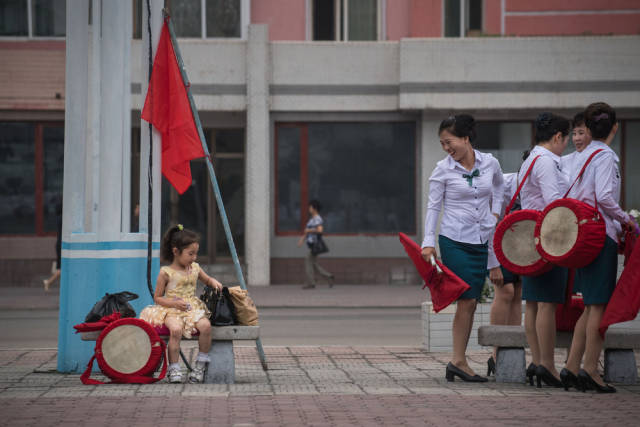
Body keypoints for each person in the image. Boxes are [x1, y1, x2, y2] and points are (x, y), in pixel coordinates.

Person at [421, 114, 504, 382]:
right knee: (466, 298)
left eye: (449, 142)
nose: (446, 148)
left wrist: (495, 213)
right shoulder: (442, 170)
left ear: (466, 139)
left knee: (470, 301)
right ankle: (458, 359)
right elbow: (433, 207)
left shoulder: (490, 163)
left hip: (481, 241)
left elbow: (500, 187)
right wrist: (428, 242)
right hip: (454, 240)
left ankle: (458, 361)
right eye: (442, 144)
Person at [560, 103, 634, 393]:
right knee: (598, 307)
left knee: (590, 306)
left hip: (581, 235)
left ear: (588, 130)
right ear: (614, 128)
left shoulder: (581, 156)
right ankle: (590, 369)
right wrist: (627, 219)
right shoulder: (605, 156)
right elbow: (604, 196)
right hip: (600, 235)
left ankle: (571, 366)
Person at [519, 113, 570, 388]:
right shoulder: (548, 162)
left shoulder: (530, 159)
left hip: (530, 237)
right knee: (548, 303)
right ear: (558, 136)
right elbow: (554, 202)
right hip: (550, 237)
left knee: (534, 303)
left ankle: (538, 361)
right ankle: (548, 365)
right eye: (566, 139)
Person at [139, 224, 223, 384]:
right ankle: (174, 368)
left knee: (206, 326)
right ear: (176, 251)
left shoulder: (195, 268)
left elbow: (207, 279)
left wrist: (214, 282)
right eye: (190, 254)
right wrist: (173, 303)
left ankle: (200, 366)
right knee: (176, 330)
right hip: (171, 309)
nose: (194, 258)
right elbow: (157, 298)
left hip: (192, 309)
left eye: (196, 254)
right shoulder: (166, 272)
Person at [487, 172, 522, 376]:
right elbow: (488, 223)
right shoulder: (503, 184)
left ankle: (513, 348)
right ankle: (496, 351)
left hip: (520, 243)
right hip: (497, 242)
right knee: (505, 291)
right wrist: (493, 264)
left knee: (517, 292)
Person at [297, 200, 334, 289]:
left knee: (308, 261)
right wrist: (302, 239)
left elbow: (320, 230)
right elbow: (307, 231)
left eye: (310, 207)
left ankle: (311, 282)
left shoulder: (317, 218)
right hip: (311, 244)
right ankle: (328, 277)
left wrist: (309, 231)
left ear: (315, 208)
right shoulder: (312, 219)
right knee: (313, 264)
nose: (309, 209)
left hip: (315, 245)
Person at [43, 199, 62, 291]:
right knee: (62, 268)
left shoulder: (59, 218)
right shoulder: (63, 218)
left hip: (59, 244)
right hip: (61, 245)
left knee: (61, 267)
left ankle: (49, 281)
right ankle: (48, 281)